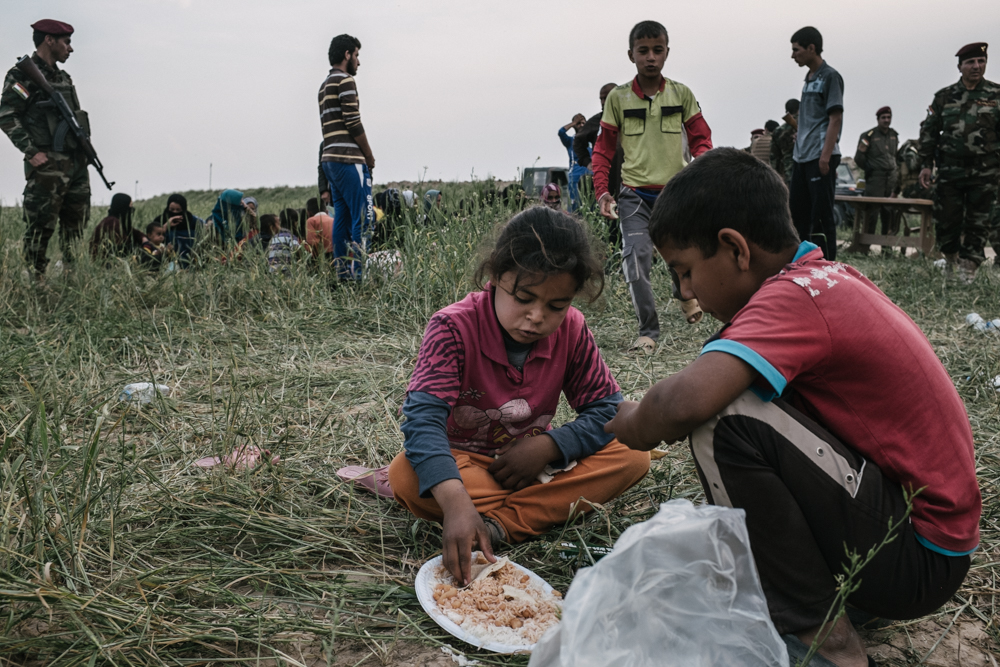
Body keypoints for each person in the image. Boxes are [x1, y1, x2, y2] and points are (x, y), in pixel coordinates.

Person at [605, 148, 980, 667]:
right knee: (756, 395)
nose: (684, 292)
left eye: (685, 271)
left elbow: (682, 403)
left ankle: (824, 639)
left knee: (724, 417)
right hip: (919, 540)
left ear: (735, 248)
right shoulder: (823, 277)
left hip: (914, 555)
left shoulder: (793, 298)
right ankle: (826, 597)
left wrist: (627, 420)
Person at [380, 207, 650, 585]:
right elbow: (423, 421)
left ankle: (498, 527)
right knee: (406, 475)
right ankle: (521, 507)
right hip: (469, 467)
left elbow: (607, 409)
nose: (537, 316)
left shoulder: (571, 329)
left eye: (557, 305)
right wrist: (455, 500)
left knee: (634, 454)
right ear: (495, 277)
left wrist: (550, 447)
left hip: (538, 466)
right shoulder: (452, 327)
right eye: (524, 297)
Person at [592, 20, 713, 354]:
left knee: (681, 255)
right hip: (633, 196)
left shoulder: (681, 94)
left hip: (675, 195)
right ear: (631, 55)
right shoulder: (617, 99)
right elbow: (603, 150)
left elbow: (702, 139)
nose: (650, 57)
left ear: (666, 53)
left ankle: (683, 293)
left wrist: (700, 172)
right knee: (636, 258)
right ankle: (648, 331)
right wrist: (603, 190)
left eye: (657, 50)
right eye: (642, 50)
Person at [0, 19, 91, 279]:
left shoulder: (64, 78)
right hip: (47, 164)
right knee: (40, 223)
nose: (70, 49)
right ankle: (35, 278)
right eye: (66, 42)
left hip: (74, 163)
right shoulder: (22, 76)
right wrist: (30, 151)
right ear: (49, 40)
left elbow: (73, 119)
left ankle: (71, 275)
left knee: (76, 221)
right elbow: (6, 115)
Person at [918, 42, 1000, 283]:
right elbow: (929, 132)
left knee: (979, 220)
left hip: (986, 172)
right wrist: (925, 163)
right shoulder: (944, 97)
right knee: (947, 219)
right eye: (971, 62)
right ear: (959, 66)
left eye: (981, 61)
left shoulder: (996, 96)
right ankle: (950, 259)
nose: (976, 66)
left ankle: (968, 268)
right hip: (950, 172)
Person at [319, 33, 375, 282]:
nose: (359, 62)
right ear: (347, 55)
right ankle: (359, 276)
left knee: (342, 216)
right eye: (357, 55)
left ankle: (342, 274)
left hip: (329, 160)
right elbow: (353, 122)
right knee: (363, 218)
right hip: (348, 158)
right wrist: (369, 156)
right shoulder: (345, 81)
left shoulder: (324, 85)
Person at [788, 26, 844, 262]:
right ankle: (801, 263)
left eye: (796, 50)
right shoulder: (808, 78)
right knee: (797, 213)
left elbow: (835, 118)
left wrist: (825, 156)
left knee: (821, 216)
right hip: (801, 156)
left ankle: (828, 264)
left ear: (812, 48)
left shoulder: (830, 76)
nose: (793, 56)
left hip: (820, 156)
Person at [850, 107, 900, 253]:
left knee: (888, 213)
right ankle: (865, 247)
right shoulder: (869, 136)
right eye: (883, 117)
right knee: (872, 213)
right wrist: (869, 168)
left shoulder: (894, 135)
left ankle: (887, 248)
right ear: (878, 119)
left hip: (890, 179)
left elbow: (895, 157)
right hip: (875, 179)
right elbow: (859, 157)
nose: (886, 120)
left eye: (888, 117)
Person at [572, 83, 618, 212]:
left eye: (606, 98)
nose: (603, 102)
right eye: (601, 99)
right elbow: (578, 141)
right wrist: (587, 162)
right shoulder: (596, 122)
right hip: (606, 177)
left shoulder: (629, 119)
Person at [89, 193, 143, 262]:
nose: (131, 210)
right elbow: (125, 247)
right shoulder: (112, 222)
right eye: (130, 206)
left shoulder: (117, 221)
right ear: (123, 207)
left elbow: (134, 232)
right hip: (104, 262)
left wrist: (144, 239)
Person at [152, 194, 200, 267]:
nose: (174, 212)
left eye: (178, 210)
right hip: (168, 260)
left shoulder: (191, 220)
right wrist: (166, 226)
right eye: (172, 210)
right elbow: (152, 238)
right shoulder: (160, 220)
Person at [559, 114, 586, 209]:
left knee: (591, 205)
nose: (581, 125)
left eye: (583, 123)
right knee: (576, 206)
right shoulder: (570, 141)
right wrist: (573, 123)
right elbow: (561, 132)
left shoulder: (592, 140)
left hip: (590, 177)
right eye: (578, 123)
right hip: (575, 177)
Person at [770, 99, 799, 185]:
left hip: (789, 173)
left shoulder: (778, 131)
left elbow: (774, 158)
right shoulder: (809, 125)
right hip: (810, 171)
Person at [304, 196, 334, 261]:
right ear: (326, 211)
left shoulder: (311, 221)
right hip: (338, 252)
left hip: (325, 255)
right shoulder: (333, 220)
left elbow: (313, 243)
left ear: (308, 213)